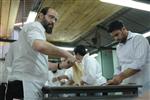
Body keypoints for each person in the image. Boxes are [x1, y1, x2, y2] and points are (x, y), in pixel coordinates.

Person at [6, 7, 75, 100]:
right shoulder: (35, 26)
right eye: (51, 17)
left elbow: (42, 64)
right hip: (25, 85)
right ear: (40, 16)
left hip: (29, 85)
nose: (53, 21)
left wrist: (60, 65)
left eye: (55, 19)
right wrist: (67, 54)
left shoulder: (38, 35)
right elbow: (40, 46)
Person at [107, 20, 150, 95]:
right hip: (127, 87)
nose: (116, 39)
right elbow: (119, 67)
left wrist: (120, 77)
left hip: (143, 84)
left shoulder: (138, 39)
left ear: (123, 29)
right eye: (113, 36)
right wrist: (115, 77)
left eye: (117, 34)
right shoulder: (118, 47)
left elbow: (139, 64)